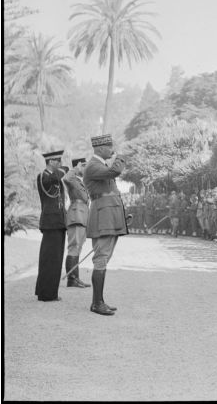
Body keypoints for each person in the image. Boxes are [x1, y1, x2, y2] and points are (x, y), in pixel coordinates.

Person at [84, 134, 129, 316]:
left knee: (104, 258)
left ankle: (99, 301)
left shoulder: (100, 165)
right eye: (110, 147)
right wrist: (121, 156)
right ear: (101, 148)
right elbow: (115, 171)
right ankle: (97, 303)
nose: (112, 150)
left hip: (109, 216)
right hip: (103, 217)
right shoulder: (93, 166)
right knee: (101, 259)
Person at [35, 150, 68, 302]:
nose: (60, 164)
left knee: (56, 259)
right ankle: (46, 294)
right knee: (49, 259)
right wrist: (64, 169)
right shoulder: (43, 177)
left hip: (58, 222)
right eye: (57, 161)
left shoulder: (55, 177)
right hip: (50, 223)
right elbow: (56, 177)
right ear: (51, 162)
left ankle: (50, 292)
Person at [62, 157, 91, 288]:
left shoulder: (81, 182)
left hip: (82, 216)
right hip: (76, 216)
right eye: (83, 166)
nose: (85, 168)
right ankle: (72, 279)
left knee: (77, 248)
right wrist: (75, 168)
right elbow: (66, 178)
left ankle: (76, 278)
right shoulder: (72, 179)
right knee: (74, 247)